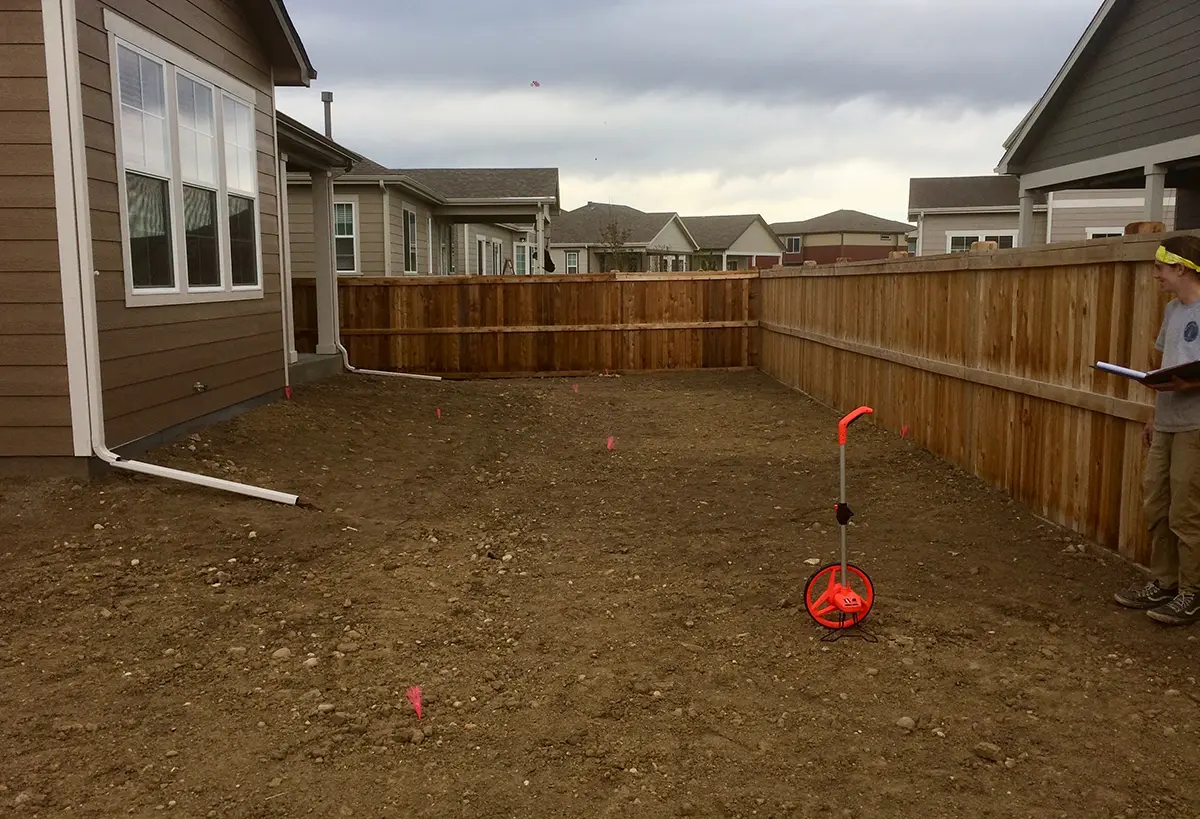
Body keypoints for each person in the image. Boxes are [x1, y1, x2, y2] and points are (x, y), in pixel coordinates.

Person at [1114, 235, 1200, 624]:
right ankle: (1164, 583)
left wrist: (1189, 385)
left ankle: (1192, 592)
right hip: (1165, 422)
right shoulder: (1172, 311)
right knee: (1157, 505)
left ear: (1182, 268)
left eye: (1161, 268)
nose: (1155, 275)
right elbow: (1165, 365)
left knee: (1186, 512)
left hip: (1195, 426)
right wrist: (1153, 413)